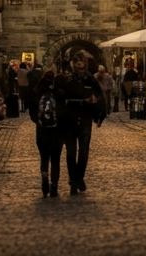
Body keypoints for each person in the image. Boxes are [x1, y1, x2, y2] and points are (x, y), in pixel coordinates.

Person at [57, 52, 105, 194]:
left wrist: (99, 113)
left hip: (85, 118)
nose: (79, 63)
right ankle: (73, 179)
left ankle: (79, 177)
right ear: (73, 63)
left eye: (81, 61)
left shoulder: (90, 79)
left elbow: (99, 96)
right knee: (71, 151)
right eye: (76, 61)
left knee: (84, 151)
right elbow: (59, 95)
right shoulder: (67, 79)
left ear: (85, 63)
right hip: (70, 118)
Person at [28, 68, 64, 197]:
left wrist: (37, 121)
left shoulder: (37, 91)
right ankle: (54, 184)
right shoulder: (59, 92)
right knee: (55, 158)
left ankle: (44, 176)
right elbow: (64, 110)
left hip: (42, 130)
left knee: (44, 157)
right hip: (57, 130)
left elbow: (31, 109)